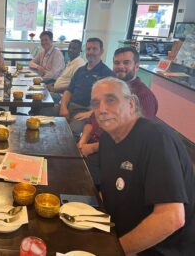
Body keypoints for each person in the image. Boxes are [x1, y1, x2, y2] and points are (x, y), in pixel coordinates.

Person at [91, 77, 194, 255]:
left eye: (110, 100)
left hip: (159, 249)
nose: (101, 109)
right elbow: (108, 192)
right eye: (95, 103)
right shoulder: (107, 138)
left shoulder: (156, 138)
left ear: (131, 104)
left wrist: (112, 251)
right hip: (118, 233)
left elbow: (171, 218)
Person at [78, 47, 158, 184]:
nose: (120, 66)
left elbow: (137, 138)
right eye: (117, 63)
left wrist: (91, 148)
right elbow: (91, 121)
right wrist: (82, 142)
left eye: (126, 62)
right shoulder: (109, 88)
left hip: (115, 153)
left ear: (136, 66)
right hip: (91, 145)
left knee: (77, 177)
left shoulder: (143, 96)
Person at [59, 37, 112, 139]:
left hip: (85, 111)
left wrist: (90, 113)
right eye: (88, 49)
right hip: (69, 107)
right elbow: (68, 91)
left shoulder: (107, 74)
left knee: (71, 133)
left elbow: (109, 103)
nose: (90, 52)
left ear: (102, 51)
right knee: (44, 113)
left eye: (94, 49)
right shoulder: (80, 70)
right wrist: (63, 107)